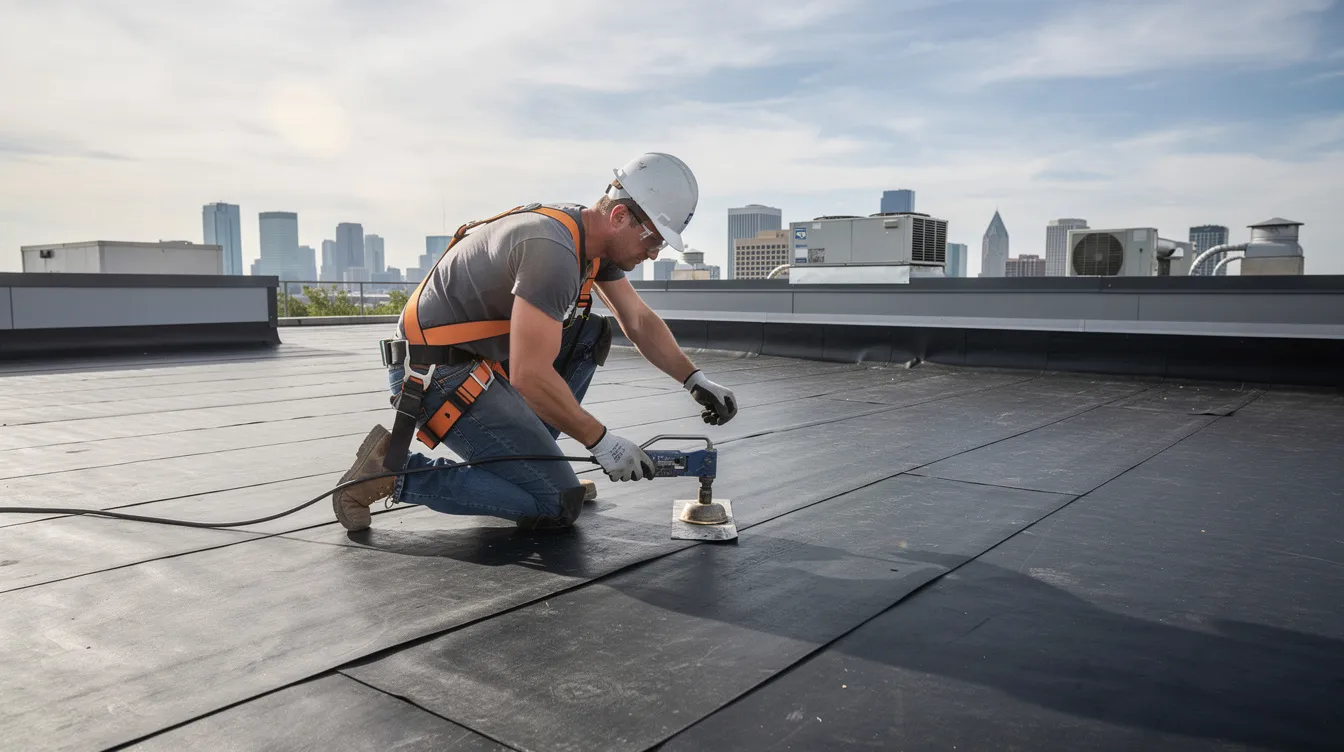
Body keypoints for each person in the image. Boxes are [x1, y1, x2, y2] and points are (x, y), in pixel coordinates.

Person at [332, 152, 738, 532]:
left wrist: (694, 379)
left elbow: (637, 319)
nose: (653, 254)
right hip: (434, 375)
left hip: (476, 361)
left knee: (588, 335)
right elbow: (529, 375)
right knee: (556, 502)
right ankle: (389, 473)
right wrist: (602, 442)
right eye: (653, 240)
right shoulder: (552, 252)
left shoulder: (588, 238)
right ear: (619, 216)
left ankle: (534, 467)